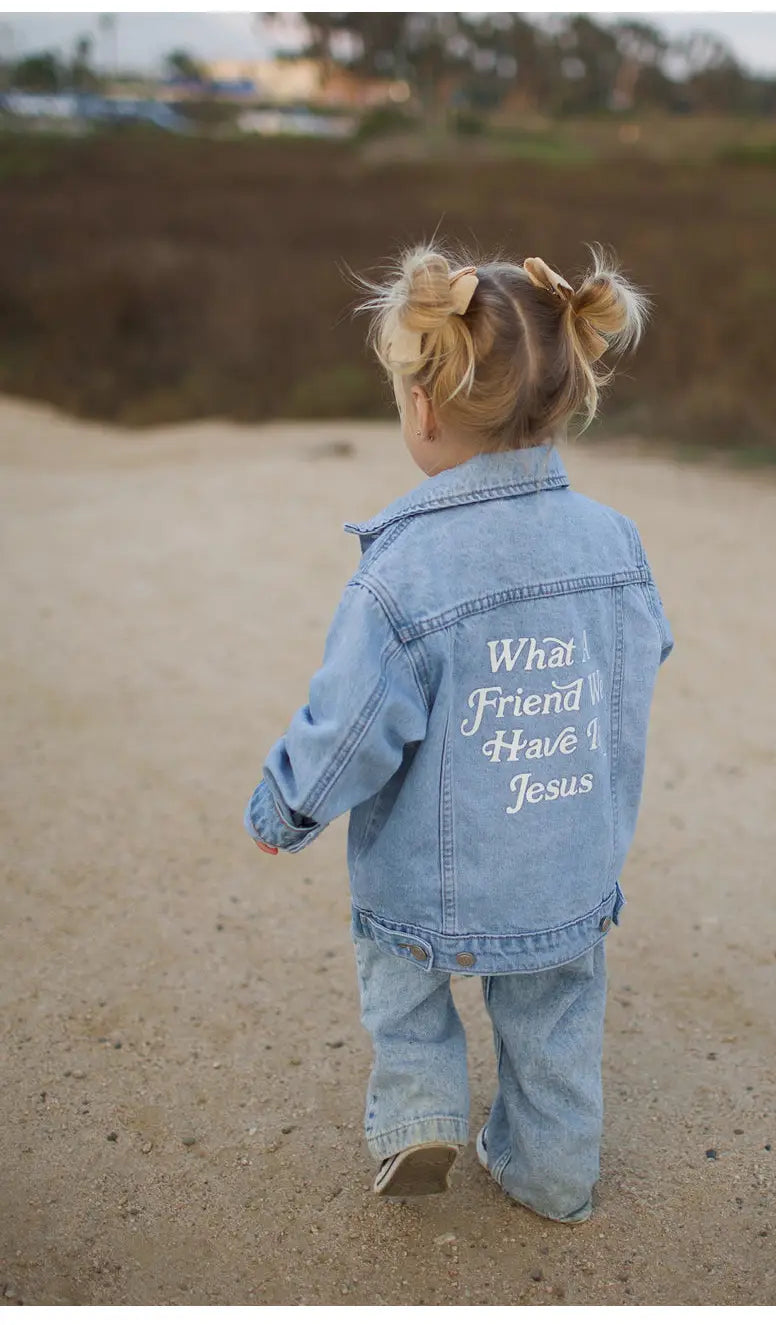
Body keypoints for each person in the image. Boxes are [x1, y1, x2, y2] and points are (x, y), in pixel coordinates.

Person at [244, 243, 673, 1224]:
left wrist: (287, 806)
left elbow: (350, 724)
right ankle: (552, 1171)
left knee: (403, 983)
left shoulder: (405, 569)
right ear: (563, 399)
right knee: (555, 1021)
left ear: (425, 407)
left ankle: (419, 1116)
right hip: (564, 868)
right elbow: (645, 655)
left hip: (422, 880)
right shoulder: (616, 543)